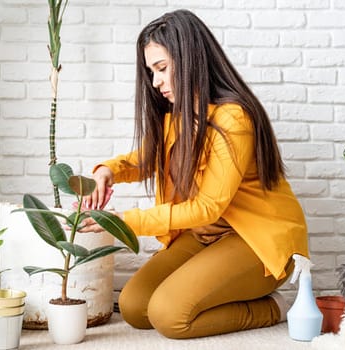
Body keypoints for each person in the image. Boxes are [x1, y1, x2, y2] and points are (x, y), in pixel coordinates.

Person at [79, 9, 309, 339]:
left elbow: (207, 208)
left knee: (169, 315)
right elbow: (146, 159)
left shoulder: (233, 119)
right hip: (204, 236)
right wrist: (106, 171)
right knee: (134, 306)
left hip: (254, 241)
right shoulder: (178, 116)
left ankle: (273, 307)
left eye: (162, 68)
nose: (155, 82)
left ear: (189, 60)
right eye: (151, 71)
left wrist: (124, 221)